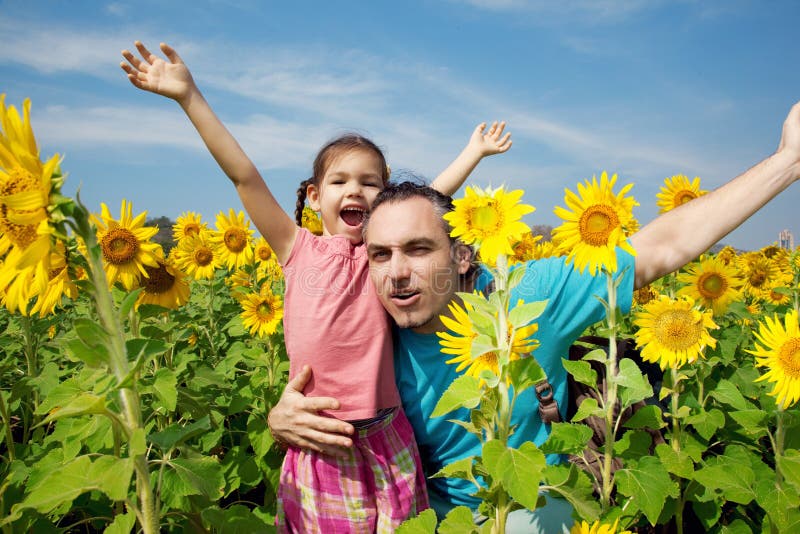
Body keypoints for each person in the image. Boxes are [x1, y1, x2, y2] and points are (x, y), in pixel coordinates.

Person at [267, 101, 800, 532]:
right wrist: (281, 419)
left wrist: (788, 160)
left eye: (418, 249)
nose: (396, 274)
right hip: (425, 512)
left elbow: (661, 248)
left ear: (462, 254)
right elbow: (316, 399)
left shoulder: (521, 300)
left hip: (533, 503)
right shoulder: (371, 319)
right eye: (380, 255)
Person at [120, 40, 513, 532]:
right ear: (312, 195)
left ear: (386, 195)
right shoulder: (295, 248)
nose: (355, 190)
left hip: (389, 436)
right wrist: (189, 96)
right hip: (321, 439)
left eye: (370, 183)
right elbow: (244, 177)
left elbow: (431, 199)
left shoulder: (384, 259)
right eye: (339, 181)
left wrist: (472, 152)